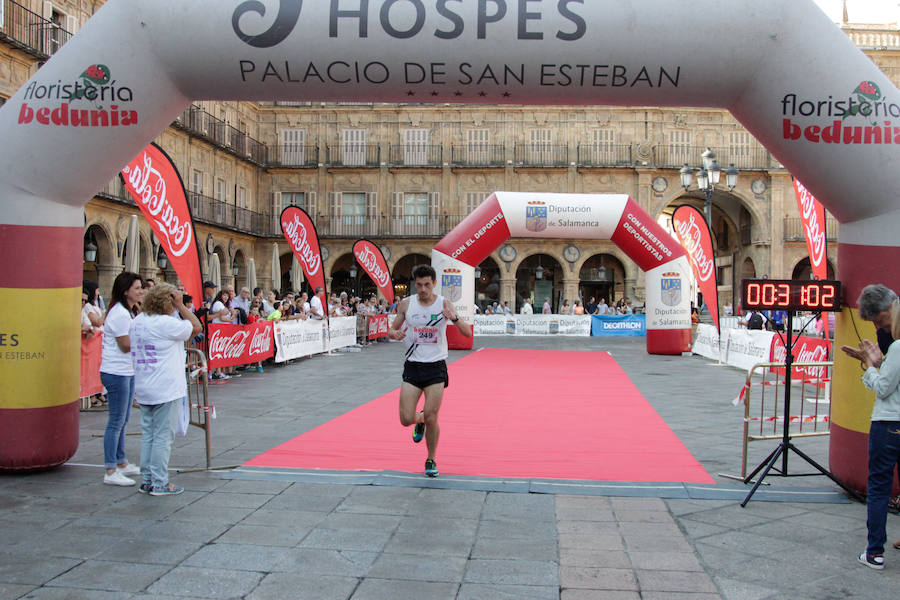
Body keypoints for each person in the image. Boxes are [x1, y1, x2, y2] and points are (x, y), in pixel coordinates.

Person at [387, 265, 472, 477]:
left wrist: (453, 317)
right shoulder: (407, 304)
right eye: (419, 285)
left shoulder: (444, 303)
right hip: (413, 365)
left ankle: (431, 458)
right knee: (406, 419)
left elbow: (466, 333)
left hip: (435, 366)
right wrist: (394, 334)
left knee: (433, 416)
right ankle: (420, 421)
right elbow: (391, 329)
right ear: (414, 284)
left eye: (427, 284)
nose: (423, 289)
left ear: (434, 283)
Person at [130, 283, 202, 496]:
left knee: (149, 435)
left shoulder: (138, 321)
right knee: (163, 436)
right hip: (166, 387)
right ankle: (160, 481)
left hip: (144, 385)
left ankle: (147, 480)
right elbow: (196, 327)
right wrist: (182, 306)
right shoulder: (166, 323)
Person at [852, 297, 900, 569]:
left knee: (879, 488)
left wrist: (870, 366)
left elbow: (883, 388)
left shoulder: (898, 347)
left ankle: (874, 552)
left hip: (889, 424)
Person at [100, 271, 144, 486]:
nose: (141, 291)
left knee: (124, 419)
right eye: (137, 287)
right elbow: (125, 345)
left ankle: (121, 461)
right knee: (116, 421)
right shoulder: (119, 314)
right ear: (126, 291)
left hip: (126, 370)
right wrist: (145, 342)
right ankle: (110, 469)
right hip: (116, 371)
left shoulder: (129, 311)